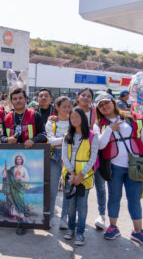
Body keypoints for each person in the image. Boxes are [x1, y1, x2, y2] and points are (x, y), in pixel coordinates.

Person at [94, 94, 143, 247]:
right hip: (114, 167)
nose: (104, 107)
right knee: (114, 197)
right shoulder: (99, 125)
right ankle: (113, 227)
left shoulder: (132, 118)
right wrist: (110, 128)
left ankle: (138, 231)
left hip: (135, 167)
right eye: (101, 105)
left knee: (134, 199)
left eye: (106, 103)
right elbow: (100, 145)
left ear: (113, 103)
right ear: (98, 109)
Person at [62, 108, 99, 246]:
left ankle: (80, 233)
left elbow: (93, 158)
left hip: (85, 177)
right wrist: (72, 174)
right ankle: (70, 229)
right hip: (70, 177)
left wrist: (81, 175)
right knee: (71, 206)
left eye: (77, 117)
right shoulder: (67, 136)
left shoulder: (92, 136)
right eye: (72, 118)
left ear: (83, 118)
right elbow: (64, 156)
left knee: (82, 206)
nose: (74, 120)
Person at [75, 88, 107, 229]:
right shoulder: (72, 111)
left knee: (100, 186)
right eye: (83, 95)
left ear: (92, 99)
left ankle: (101, 215)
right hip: (79, 156)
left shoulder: (97, 113)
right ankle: (77, 216)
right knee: (81, 187)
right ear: (78, 97)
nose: (86, 98)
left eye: (89, 96)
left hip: (97, 155)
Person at [46, 96, 72, 229]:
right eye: (64, 107)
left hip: (71, 157)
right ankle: (50, 216)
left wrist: (60, 140)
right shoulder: (51, 122)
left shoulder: (74, 121)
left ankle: (64, 218)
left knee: (69, 189)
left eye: (69, 106)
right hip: (54, 157)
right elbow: (50, 141)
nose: (67, 109)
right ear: (56, 107)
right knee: (52, 189)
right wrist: (67, 139)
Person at [2, 155, 30, 235]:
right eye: (17, 159)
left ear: (22, 160)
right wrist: (5, 169)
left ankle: (21, 215)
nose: (18, 160)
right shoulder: (12, 168)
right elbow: (6, 175)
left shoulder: (24, 169)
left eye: (20, 159)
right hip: (12, 188)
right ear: (15, 160)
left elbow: (27, 179)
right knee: (13, 201)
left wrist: (20, 178)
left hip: (20, 188)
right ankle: (14, 215)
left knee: (20, 201)